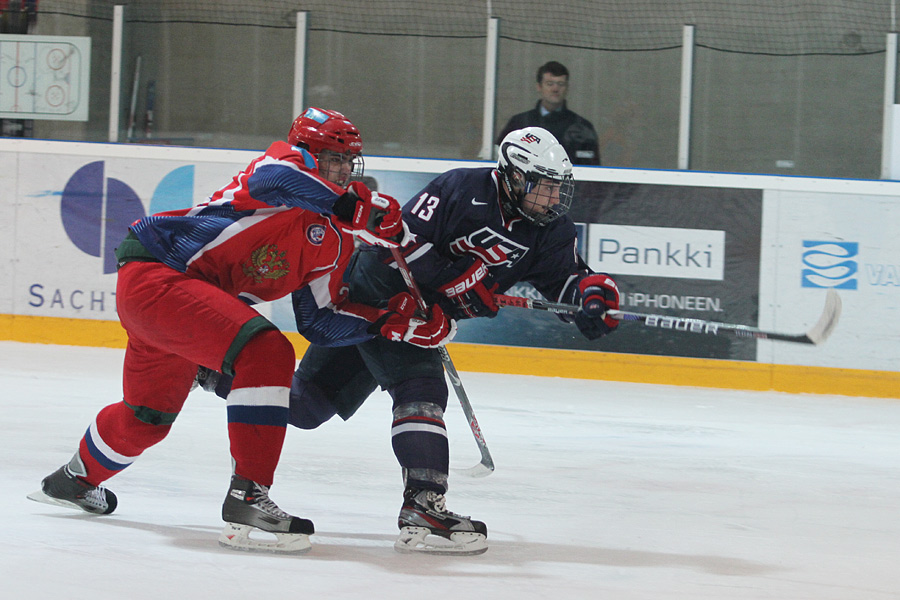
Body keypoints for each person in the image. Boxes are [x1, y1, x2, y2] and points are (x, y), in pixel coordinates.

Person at [27, 107, 454, 554]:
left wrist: (390, 324)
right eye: (331, 157)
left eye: (348, 161)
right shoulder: (280, 166)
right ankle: (248, 494)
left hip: (188, 314)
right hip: (159, 276)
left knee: (146, 420)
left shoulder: (337, 239)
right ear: (306, 152)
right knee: (267, 351)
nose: (342, 169)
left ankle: (72, 480)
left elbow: (321, 321)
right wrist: (354, 208)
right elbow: (283, 182)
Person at [286, 126, 620, 555]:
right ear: (516, 177)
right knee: (420, 388)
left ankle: (210, 369)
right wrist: (454, 278)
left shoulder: (549, 230)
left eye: (559, 189)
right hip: (378, 292)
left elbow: (566, 280)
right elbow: (397, 239)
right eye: (546, 188)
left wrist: (590, 297)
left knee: (307, 405)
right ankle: (424, 504)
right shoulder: (461, 188)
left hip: (424, 315)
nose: (555, 199)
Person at [496, 61, 601, 166]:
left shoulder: (582, 127)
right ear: (539, 87)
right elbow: (500, 158)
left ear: (567, 88)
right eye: (549, 84)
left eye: (561, 84)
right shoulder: (519, 123)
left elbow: (593, 169)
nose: (555, 89)